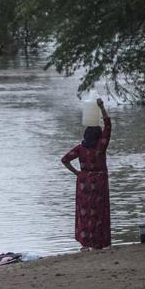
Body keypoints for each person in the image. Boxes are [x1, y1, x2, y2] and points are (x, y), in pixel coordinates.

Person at [61, 98, 112, 250]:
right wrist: (102, 107)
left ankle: (85, 244)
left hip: (84, 182)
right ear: (98, 135)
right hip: (99, 180)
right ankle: (99, 243)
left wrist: (77, 172)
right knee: (99, 212)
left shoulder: (80, 148)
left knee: (85, 213)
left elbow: (64, 160)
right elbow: (108, 125)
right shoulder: (101, 146)